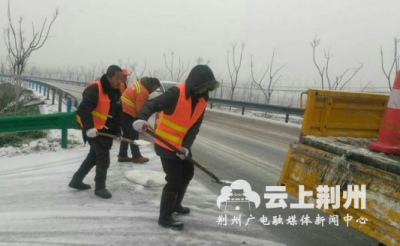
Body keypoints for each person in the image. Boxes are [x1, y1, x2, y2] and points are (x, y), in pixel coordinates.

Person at [133, 65, 219, 230]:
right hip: (165, 144)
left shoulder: (202, 100)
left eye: (208, 87)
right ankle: (164, 217)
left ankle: (176, 206)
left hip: (181, 147)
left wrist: (186, 147)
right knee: (174, 179)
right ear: (195, 83)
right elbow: (151, 104)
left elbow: (194, 127)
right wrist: (141, 119)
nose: (204, 90)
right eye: (203, 86)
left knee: (187, 173)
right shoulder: (175, 94)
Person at [69, 65, 123, 199]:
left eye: (121, 79)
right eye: (117, 78)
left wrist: (117, 131)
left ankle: (76, 180)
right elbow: (83, 109)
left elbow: (117, 113)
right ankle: (100, 187)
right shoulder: (95, 89)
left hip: (106, 132)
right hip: (93, 131)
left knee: (93, 157)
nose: (120, 81)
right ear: (109, 77)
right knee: (103, 158)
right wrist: (89, 128)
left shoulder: (116, 91)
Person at [118, 77, 161, 163]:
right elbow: (140, 110)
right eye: (155, 88)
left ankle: (122, 155)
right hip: (128, 112)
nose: (154, 90)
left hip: (122, 110)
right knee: (134, 134)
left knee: (126, 135)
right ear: (152, 85)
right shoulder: (143, 92)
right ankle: (136, 156)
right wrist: (142, 122)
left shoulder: (139, 84)